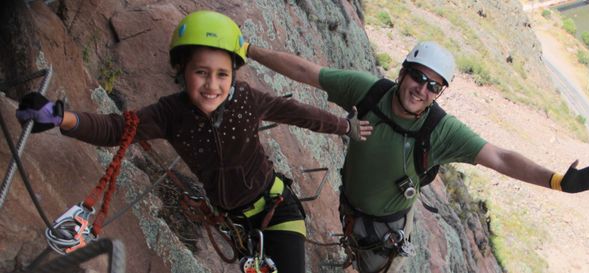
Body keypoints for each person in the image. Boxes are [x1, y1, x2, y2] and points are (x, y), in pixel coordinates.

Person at [15, 10, 372, 273]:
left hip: (276, 211)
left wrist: (344, 126)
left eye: (222, 74)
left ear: (234, 75)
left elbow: (293, 111)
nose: (212, 85)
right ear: (182, 70)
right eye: (201, 72)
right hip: (234, 223)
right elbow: (116, 129)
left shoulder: (247, 100)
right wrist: (63, 117)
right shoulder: (171, 113)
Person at [245, 41, 589, 272]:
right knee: (355, 247)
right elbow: (306, 72)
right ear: (403, 72)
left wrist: (556, 181)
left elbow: (499, 157)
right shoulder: (368, 92)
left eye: (433, 85)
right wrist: (247, 51)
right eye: (417, 76)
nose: (421, 88)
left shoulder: (441, 132)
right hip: (352, 206)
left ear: (439, 94)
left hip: (385, 228)